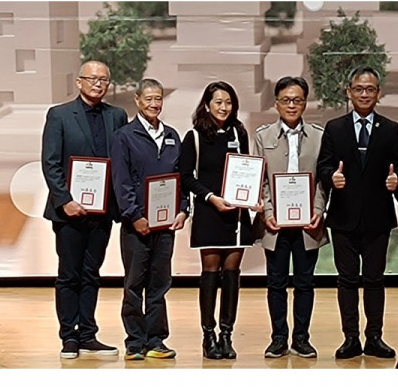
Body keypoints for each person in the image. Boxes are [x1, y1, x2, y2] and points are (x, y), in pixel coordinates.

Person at [315, 67, 398, 360]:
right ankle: (350, 338)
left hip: (378, 218)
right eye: (359, 89)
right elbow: (323, 165)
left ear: (378, 93)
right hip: (343, 218)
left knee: (374, 279)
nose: (364, 94)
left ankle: (374, 337)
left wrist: (397, 180)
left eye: (370, 89)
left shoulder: (390, 128)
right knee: (346, 280)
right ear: (349, 92)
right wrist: (331, 177)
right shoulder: (335, 128)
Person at [41, 60, 128, 360]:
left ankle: (88, 334)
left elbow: (122, 161)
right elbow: (51, 163)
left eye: (103, 80)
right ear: (79, 82)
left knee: (91, 273)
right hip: (68, 211)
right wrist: (65, 199)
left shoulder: (117, 115)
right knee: (69, 274)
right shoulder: (59, 115)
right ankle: (69, 336)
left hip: (102, 211)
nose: (98, 84)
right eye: (92, 78)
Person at [110, 78, 190, 361]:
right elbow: (121, 181)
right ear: (137, 100)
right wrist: (134, 216)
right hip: (137, 226)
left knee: (159, 285)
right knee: (134, 285)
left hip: (165, 226)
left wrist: (183, 209)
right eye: (149, 98)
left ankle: (156, 340)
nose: (154, 104)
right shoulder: (124, 136)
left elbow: (181, 178)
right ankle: (134, 342)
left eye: (158, 99)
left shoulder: (172, 136)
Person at [179, 81, 260, 361]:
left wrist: (252, 197)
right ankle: (208, 335)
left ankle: (227, 335)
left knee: (232, 273)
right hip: (209, 212)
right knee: (211, 273)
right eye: (218, 102)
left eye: (228, 102)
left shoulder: (239, 132)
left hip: (236, 215)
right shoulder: (194, 136)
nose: (224, 107)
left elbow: (247, 169)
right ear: (207, 104)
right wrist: (211, 197)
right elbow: (186, 176)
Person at [253, 76, 328, 359]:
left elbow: (323, 181)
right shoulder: (263, 136)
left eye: (297, 100)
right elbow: (261, 180)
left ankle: (301, 338)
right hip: (275, 225)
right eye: (286, 100)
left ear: (305, 103)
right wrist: (269, 213)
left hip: (309, 223)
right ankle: (278, 338)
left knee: (305, 283)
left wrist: (318, 210)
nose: (292, 105)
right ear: (276, 104)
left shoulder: (319, 136)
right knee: (276, 283)